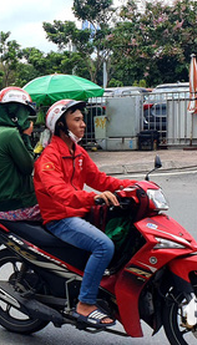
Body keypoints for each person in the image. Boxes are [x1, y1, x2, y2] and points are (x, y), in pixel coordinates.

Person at [34, 99, 135, 328]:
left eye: (82, 119)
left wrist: (132, 186)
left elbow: (100, 180)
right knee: (104, 246)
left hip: (80, 213)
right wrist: (94, 197)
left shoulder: (77, 152)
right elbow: (60, 192)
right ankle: (85, 304)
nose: (83, 124)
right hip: (61, 219)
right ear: (61, 125)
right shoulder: (49, 157)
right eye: (76, 120)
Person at [0, 87, 40, 221]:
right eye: (25, 113)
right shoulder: (11, 134)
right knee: (62, 213)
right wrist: (27, 136)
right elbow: (28, 167)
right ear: (14, 114)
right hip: (17, 206)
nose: (27, 118)